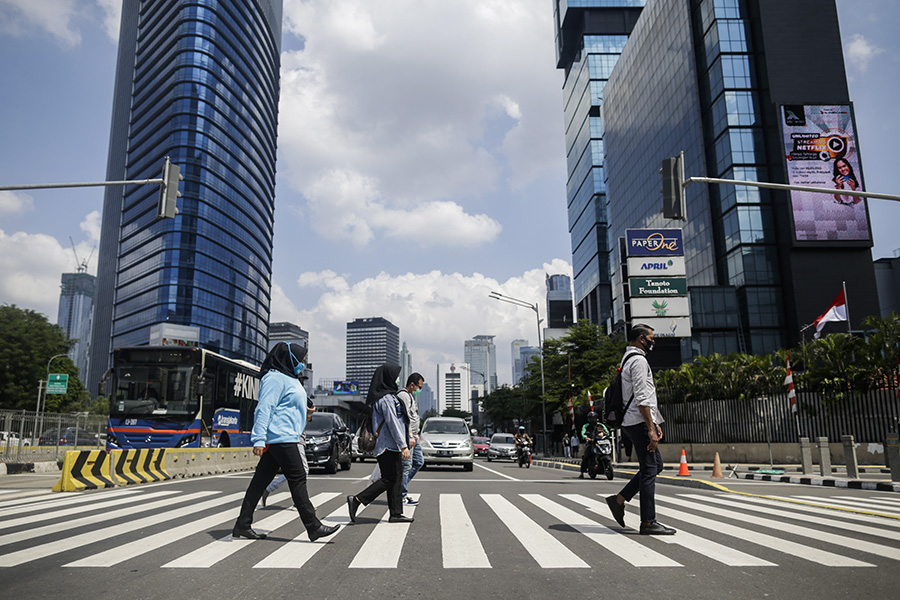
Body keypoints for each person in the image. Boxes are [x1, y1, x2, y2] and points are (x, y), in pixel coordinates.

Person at [232, 342, 338, 542]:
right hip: (281, 438)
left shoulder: (290, 378)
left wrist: (307, 412)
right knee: (298, 478)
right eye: (301, 360)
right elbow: (264, 408)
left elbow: (289, 409)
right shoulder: (274, 378)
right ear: (289, 358)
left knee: (259, 482)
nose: (303, 364)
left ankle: (242, 524)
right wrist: (259, 439)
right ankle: (313, 526)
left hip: (285, 436)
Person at [605, 324, 675, 535]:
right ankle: (647, 522)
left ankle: (619, 500)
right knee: (650, 469)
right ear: (641, 339)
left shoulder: (628, 359)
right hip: (637, 422)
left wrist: (655, 422)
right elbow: (642, 398)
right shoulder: (638, 361)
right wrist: (650, 428)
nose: (653, 341)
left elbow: (641, 398)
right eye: (651, 338)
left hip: (635, 422)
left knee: (655, 466)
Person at [347, 364, 413, 524]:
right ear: (388, 378)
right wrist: (403, 445)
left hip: (390, 445)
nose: (397, 379)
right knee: (389, 479)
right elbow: (393, 423)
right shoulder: (386, 399)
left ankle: (396, 513)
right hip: (387, 446)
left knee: (395, 479)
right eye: (395, 376)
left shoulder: (387, 397)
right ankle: (357, 500)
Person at [261, 394, 314, 508]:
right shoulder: (293, 408)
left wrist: (309, 412)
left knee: (295, 471)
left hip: (298, 441)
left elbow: (307, 420)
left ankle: (297, 500)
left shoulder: (299, 408)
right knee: (303, 470)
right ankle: (299, 502)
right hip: (296, 441)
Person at [398, 373, 425, 505]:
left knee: (418, 461)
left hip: (414, 435)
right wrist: (409, 435)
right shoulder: (403, 395)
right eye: (419, 387)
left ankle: (398, 489)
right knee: (407, 465)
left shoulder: (410, 396)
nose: (419, 390)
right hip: (408, 436)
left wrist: (416, 433)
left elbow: (414, 416)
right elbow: (404, 417)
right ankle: (401, 494)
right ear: (412, 385)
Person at [578, 411, 610, 478]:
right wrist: (586, 437)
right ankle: (582, 473)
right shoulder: (586, 426)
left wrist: (604, 434)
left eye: (594, 418)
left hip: (600, 443)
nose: (593, 419)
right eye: (591, 418)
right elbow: (583, 433)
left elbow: (607, 432)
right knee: (586, 456)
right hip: (591, 443)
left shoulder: (600, 425)